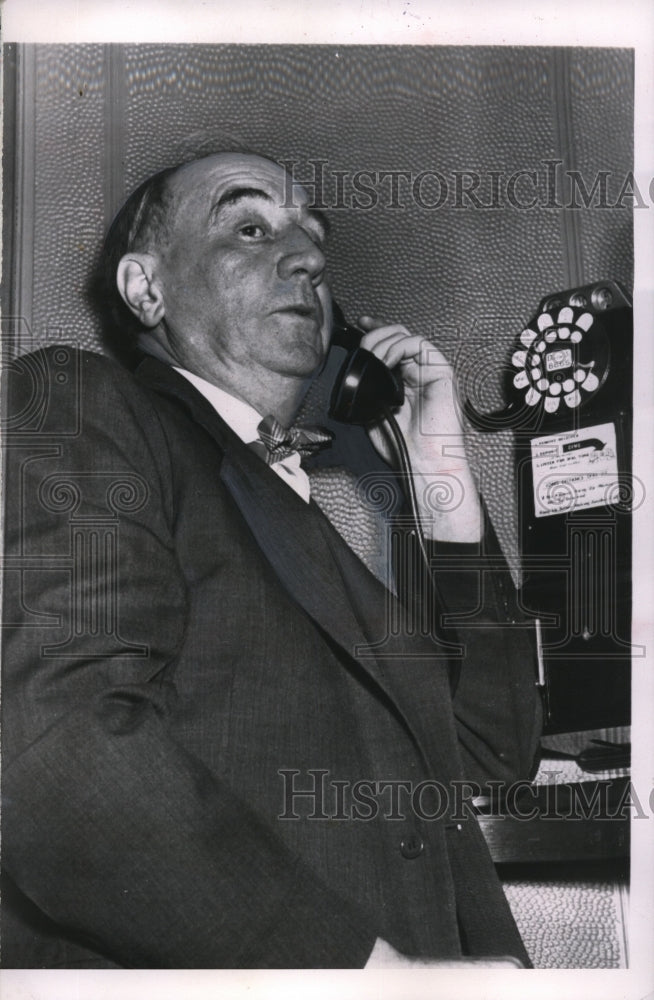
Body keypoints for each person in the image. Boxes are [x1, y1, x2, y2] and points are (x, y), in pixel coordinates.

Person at [2, 152, 542, 969]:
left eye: (313, 237)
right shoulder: (84, 405)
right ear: (145, 289)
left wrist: (441, 474)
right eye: (249, 226)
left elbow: (495, 751)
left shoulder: (301, 528)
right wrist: (365, 975)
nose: (311, 259)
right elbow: (60, 752)